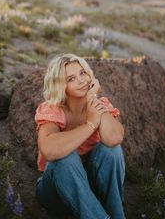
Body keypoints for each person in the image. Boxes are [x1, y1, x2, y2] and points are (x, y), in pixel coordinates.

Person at [35, 53, 126, 219]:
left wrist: (93, 100)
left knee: (111, 151)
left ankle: (117, 215)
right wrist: (90, 124)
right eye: (71, 79)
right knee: (63, 158)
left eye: (82, 73)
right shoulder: (52, 109)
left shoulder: (101, 104)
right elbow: (49, 150)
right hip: (56, 192)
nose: (82, 80)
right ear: (60, 86)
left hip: (91, 188)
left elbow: (114, 139)